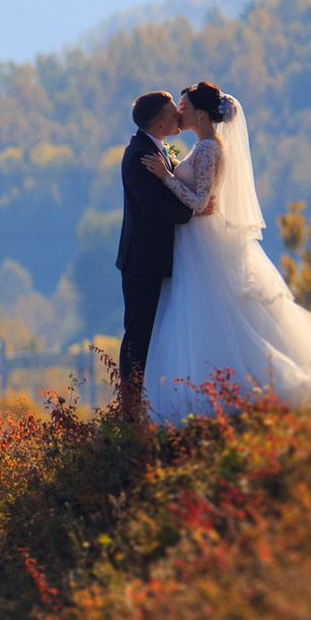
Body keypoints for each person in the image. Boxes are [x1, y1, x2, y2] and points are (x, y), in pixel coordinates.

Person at [135, 80, 311, 418]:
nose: (179, 112)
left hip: (202, 241)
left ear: (201, 114)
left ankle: (222, 390)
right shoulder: (203, 146)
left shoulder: (208, 149)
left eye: (184, 108)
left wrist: (166, 177)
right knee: (200, 311)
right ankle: (206, 387)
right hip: (195, 240)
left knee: (209, 312)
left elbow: (200, 201)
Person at [113, 89, 195, 411]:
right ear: (160, 124)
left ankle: (143, 403)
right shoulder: (139, 156)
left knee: (149, 332)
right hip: (142, 262)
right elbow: (153, 207)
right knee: (138, 334)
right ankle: (130, 408)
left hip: (151, 259)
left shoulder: (152, 149)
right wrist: (194, 211)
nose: (179, 114)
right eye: (174, 110)